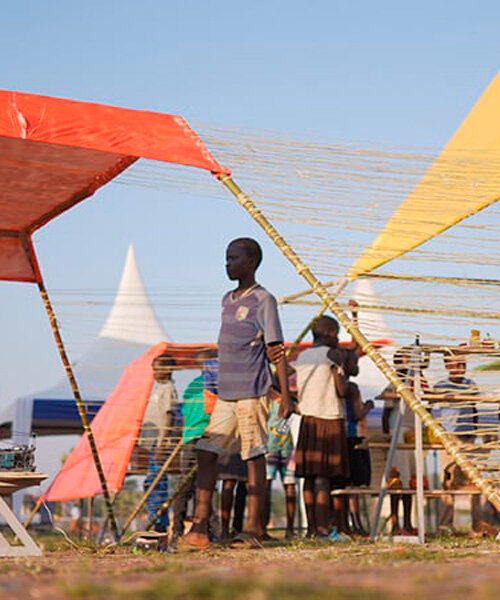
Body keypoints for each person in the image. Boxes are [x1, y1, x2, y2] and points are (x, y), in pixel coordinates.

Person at [181, 238, 291, 550]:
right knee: (207, 452)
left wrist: (286, 396)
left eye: (234, 258)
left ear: (252, 262)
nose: (227, 263)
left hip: (252, 391)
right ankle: (200, 526)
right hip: (226, 392)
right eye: (226, 258)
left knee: (254, 455)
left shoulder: (264, 299)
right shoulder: (227, 299)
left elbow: (276, 351)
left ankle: (254, 528)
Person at [294, 315, 350, 540]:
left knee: (309, 476)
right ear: (329, 334)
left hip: (308, 419)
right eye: (336, 333)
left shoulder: (302, 356)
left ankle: (311, 528)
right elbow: (342, 391)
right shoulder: (332, 355)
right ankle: (324, 528)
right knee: (323, 477)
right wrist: (342, 370)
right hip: (329, 417)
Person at [379, 347, 429, 535]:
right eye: (407, 359)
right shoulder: (394, 383)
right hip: (398, 431)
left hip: (414, 432)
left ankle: (408, 522)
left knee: (411, 481)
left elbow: (428, 401)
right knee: (398, 479)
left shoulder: (419, 382)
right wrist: (388, 438)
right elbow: (385, 414)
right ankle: (395, 523)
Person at [433, 353, 481, 531]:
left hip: (469, 436)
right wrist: (434, 428)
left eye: (462, 365)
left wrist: (476, 432)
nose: (459, 369)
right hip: (450, 438)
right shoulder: (441, 386)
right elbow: (428, 405)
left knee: (475, 481)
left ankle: (477, 524)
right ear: (447, 366)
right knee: (448, 480)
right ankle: (445, 525)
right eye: (455, 365)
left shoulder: (471, 385)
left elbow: (475, 408)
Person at [142, 354, 180, 533]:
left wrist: (163, 444)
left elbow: (169, 415)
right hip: (152, 445)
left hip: (160, 444)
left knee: (158, 483)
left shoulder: (168, 389)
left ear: (168, 370)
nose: (155, 372)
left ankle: (159, 522)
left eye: (158, 368)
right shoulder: (157, 388)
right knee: (150, 482)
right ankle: (154, 517)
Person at [264, 386, 297, 540]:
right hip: (273, 444)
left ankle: (288, 528)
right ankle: (266, 526)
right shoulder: (280, 396)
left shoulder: (279, 396)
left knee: (284, 484)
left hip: (277, 444)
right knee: (272, 485)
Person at [344, 381, 374, 535]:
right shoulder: (352, 387)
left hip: (341, 436)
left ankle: (348, 523)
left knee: (346, 485)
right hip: (353, 435)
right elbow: (357, 415)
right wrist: (368, 406)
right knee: (354, 485)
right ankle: (356, 524)